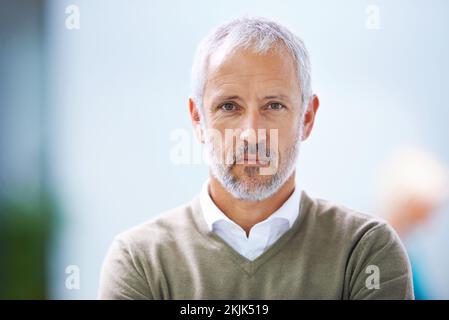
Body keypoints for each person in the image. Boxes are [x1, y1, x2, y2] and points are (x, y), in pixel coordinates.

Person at [98, 16, 414, 299]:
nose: (251, 133)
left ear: (306, 118)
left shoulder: (364, 251)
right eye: (229, 107)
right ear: (198, 120)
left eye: (273, 105)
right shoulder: (140, 259)